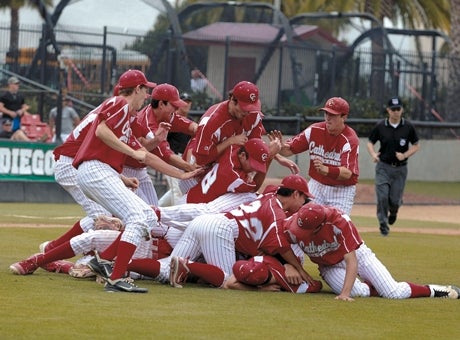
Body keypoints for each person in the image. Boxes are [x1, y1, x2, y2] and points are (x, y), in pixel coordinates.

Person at [71, 69, 200, 293]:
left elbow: (146, 154)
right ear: (137, 89)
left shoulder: (128, 117)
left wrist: (181, 174)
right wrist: (133, 152)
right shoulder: (119, 102)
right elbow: (102, 131)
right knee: (138, 218)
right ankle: (116, 277)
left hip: (104, 172)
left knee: (149, 215)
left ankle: (102, 263)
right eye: (145, 90)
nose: (147, 96)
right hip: (95, 170)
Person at [284, 202, 460, 301]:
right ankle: (374, 287)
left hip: (357, 255)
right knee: (358, 292)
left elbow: (351, 260)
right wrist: (290, 266)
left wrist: (344, 295)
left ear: (320, 226)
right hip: (328, 266)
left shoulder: (339, 222)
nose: (301, 234)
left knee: (393, 293)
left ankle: (433, 290)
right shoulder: (292, 224)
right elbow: (281, 246)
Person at [168, 174, 316, 289]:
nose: (305, 203)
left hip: (203, 222)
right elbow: (281, 246)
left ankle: (146, 267)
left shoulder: (270, 194)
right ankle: (189, 266)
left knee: (166, 271)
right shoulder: (276, 213)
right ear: (296, 194)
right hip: (219, 230)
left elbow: (271, 187)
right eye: (304, 197)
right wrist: (299, 269)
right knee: (228, 280)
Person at [276, 97, 359, 215]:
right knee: (304, 219)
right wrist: (279, 147)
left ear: (343, 117)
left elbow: (348, 173)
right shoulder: (315, 130)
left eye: (333, 115)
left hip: (341, 190)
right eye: (326, 113)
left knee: (336, 227)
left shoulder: (350, 139)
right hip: (317, 185)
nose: (328, 118)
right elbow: (288, 150)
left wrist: (327, 170)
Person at [366, 97, 420, 236]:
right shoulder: (381, 126)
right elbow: (370, 142)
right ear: (388, 110)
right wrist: (373, 154)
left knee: (395, 200)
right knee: (382, 196)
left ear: (402, 110)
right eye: (393, 109)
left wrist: (405, 155)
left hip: (400, 169)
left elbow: (416, 145)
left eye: (398, 109)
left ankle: (394, 211)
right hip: (383, 166)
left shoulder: (408, 127)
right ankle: (383, 224)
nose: (396, 112)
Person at [159, 92, 194, 206]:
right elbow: (163, 140)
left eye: (188, 102)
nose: (186, 104)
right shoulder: (171, 119)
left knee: (175, 189)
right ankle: (176, 221)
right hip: (172, 157)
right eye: (184, 101)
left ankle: (159, 207)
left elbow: (191, 143)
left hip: (183, 159)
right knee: (177, 189)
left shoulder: (190, 120)